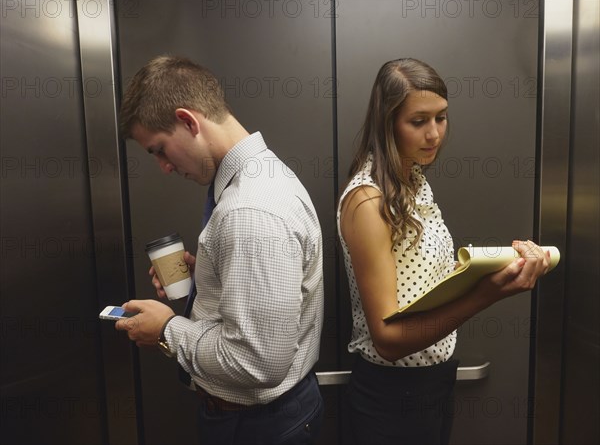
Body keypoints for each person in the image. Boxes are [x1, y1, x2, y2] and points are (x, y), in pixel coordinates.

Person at [336, 58, 550, 445]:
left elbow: (419, 283)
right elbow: (386, 338)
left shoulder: (413, 182)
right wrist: (488, 293)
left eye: (441, 117)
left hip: (434, 382)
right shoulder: (368, 201)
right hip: (393, 394)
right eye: (418, 122)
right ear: (387, 123)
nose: (434, 134)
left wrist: (487, 269)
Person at [115, 55, 325, 444]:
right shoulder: (265, 171)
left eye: (159, 149)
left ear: (189, 121)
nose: (163, 166)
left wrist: (166, 329)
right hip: (272, 418)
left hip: (259, 427)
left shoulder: (249, 210)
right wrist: (213, 278)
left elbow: (257, 363)